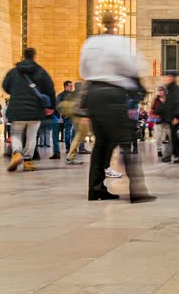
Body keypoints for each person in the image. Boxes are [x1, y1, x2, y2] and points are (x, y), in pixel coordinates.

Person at [80, 13, 155, 203]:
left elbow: (83, 70)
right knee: (126, 140)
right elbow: (132, 67)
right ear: (115, 24)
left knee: (101, 144)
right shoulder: (120, 43)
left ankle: (95, 189)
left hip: (93, 94)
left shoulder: (90, 43)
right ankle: (137, 190)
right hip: (112, 95)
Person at [3, 47, 56, 172]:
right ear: (34, 56)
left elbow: (5, 86)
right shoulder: (41, 72)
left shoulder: (13, 72)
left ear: (23, 56)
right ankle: (27, 161)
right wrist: (51, 107)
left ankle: (16, 153)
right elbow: (50, 89)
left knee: (16, 133)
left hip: (17, 110)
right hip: (35, 110)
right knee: (32, 136)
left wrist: (16, 92)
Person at [160, 70, 179, 163]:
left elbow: (177, 103)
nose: (168, 78)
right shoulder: (170, 89)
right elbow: (168, 104)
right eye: (167, 76)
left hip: (174, 117)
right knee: (172, 137)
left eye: (170, 76)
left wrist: (176, 116)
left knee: (174, 137)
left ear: (174, 78)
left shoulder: (176, 89)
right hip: (169, 117)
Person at [65, 82, 90, 165]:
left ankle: (71, 156)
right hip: (81, 118)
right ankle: (71, 157)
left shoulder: (74, 95)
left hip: (77, 117)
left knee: (78, 137)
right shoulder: (83, 95)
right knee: (78, 137)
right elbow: (83, 107)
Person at [54, 80, 76, 158]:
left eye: (72, 85)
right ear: (65, 86)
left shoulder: (74, 95)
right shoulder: (61, 95)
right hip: (67, 116)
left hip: (75, 116)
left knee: (75, 132)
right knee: (67, 132)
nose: (71, 87)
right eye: (70, 86)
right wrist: (64, 114)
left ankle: (74, 148)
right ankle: (68, 147)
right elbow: (58, 106)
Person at [150, 86, 166, 157]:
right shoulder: (155, 100)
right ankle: (159, 150)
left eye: (161, 90)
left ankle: (173, 150)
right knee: (158, 136)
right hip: (158, 120)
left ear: (164, 91)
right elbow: (151, 110)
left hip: (167, 120)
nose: (160, 92)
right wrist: (154, 115)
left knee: (169, 136)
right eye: (159, 91)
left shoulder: (168, 99)